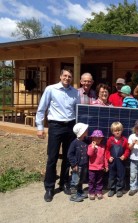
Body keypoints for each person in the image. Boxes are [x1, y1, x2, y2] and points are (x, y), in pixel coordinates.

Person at [36, 69, 80, 202]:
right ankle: (49, 187)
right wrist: (40, 127)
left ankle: (64, 183)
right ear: (60, 76)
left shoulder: (75, 92)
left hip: (70, 126)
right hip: (55, 126)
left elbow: (77, 110)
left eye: (69, 76)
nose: (67, 78)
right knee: (52, 157)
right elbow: (42, 108)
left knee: (68, 157)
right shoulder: (51, 89)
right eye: (65, 75)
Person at [106, 122, 130, 198]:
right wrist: (108, 157)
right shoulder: (110, 140)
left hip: (121, 161)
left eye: (119, 130)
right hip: (112, 161)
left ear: (122, 130)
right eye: (115, 130)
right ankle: (112, 189)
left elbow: (127, 150)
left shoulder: (124, 140)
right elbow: (107, 150)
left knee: (121, 175)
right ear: (112, 131)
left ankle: (119, 189)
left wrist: (125, 156)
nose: (117, 132)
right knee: (112, 175)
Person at [67, 123, 89, 202]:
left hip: (84, 165)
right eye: (85, 130)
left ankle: (79, 191)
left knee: (81, 179)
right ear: (81, 132)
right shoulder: (74, 143)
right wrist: (74, 164)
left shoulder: (86, 141)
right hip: (77, 166)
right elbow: (70, 154)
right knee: (75, 180)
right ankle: (73, 195)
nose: (87, 130)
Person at [87, 130, 108, 200]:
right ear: (92, 138)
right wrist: (93, 147)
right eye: (95, 138)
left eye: (99, 138)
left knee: (99, 181)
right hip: (92, 168)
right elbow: (89, 154)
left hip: (100, 167)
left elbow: (104, 157)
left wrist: (106, 165)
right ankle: (91, 192)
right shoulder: (90, 146)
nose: (97, 139)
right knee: (91, 181)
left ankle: (99, 191)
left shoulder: (103, 147)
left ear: (102, 139)